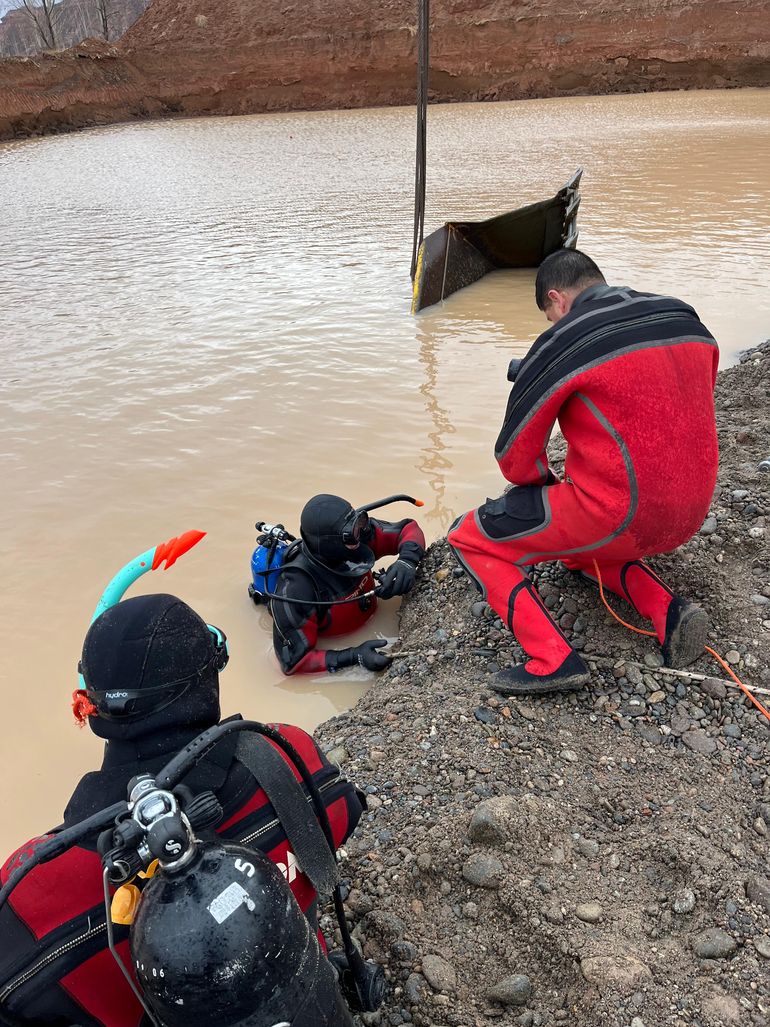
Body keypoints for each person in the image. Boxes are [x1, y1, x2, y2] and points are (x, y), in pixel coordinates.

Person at [0, 593, 365, 1026]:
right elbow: (346, 813)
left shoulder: (31, 889)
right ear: (207, 679)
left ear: (92, 708)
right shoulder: (285, 754)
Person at [448, 248, 719, 696]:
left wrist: (547, 484)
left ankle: (551, 658)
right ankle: (668, 611)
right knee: (577, 553)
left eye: (549, 317)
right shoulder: (683, 315)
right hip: (693, 509)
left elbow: (516, 461)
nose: (552, 326)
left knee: (471, 538)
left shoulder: (563, 340)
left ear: (556, 300)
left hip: (623, 515)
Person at [271, 493, 426, 674]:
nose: (361, 533)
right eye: (352, 532)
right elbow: (294, 663)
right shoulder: (295, 591)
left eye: (359, 522)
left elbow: (409, 529)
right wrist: (353, 656)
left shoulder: (359, 535)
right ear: (330, 544)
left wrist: (406, 561)